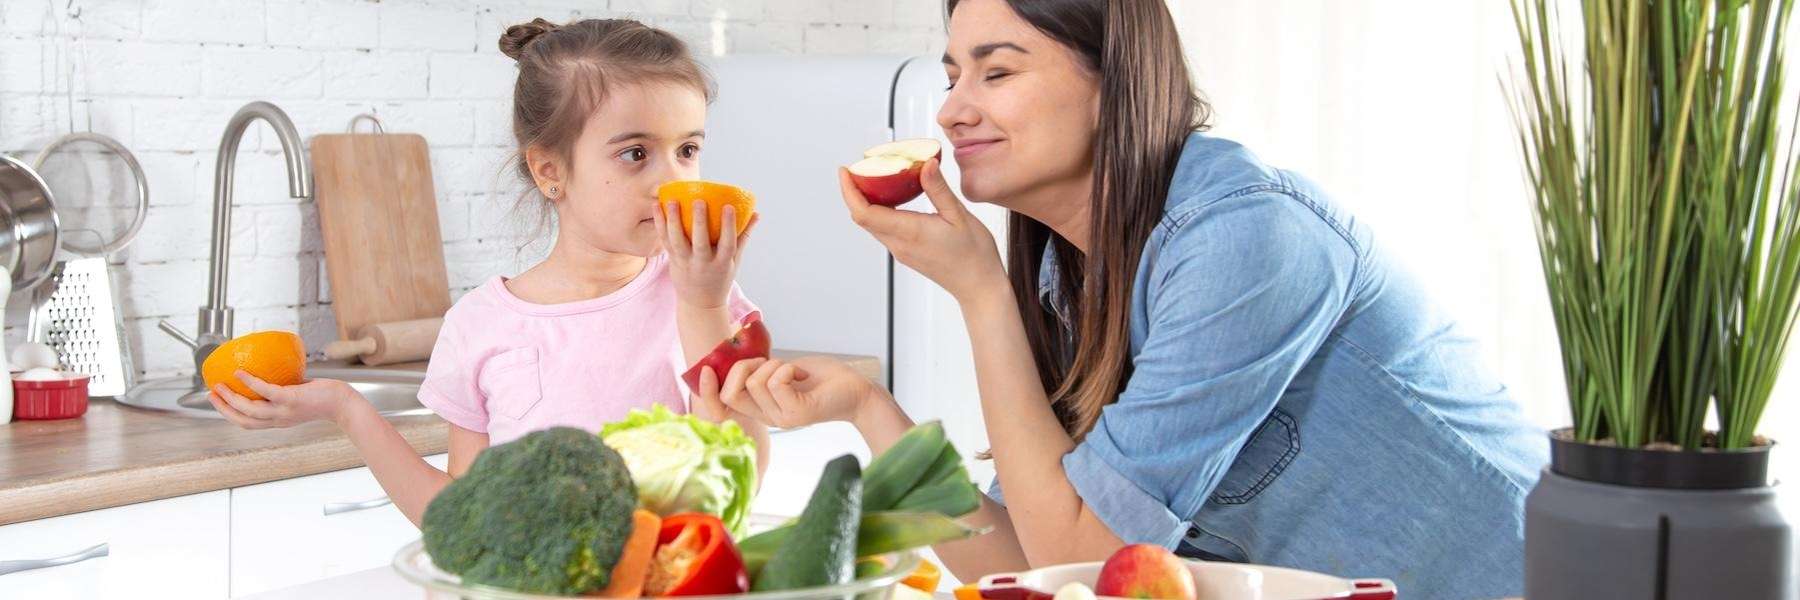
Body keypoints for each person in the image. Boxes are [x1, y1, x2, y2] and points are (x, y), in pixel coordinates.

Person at [706, 0, 1545, 597]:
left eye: (996, 71)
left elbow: (1087, 555)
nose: (954, 109)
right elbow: (1017, 558)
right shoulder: (1069, 278)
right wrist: (867, 408)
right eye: (953, 74)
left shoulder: (1244, 241)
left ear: (1114, 80)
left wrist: (979, 292)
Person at [207, 17, 768, 526]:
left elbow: (743, 476)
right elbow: (460, 517)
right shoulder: (479, 325)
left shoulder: (704, 298)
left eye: (688, 149)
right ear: (550, 170)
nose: (674, 181)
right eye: (635, 154)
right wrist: (344, 408)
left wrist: (703, 306)